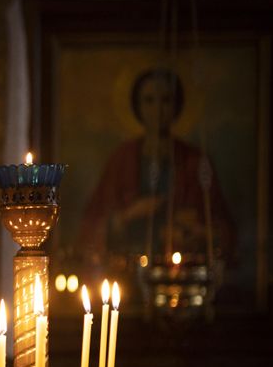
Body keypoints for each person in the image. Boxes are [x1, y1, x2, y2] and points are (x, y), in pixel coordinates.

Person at [79, 67, 235, 271]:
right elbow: (90, 228)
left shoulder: (195, 161)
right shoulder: (122, 159)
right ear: (138, 106)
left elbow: (224, 231)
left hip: (182, 272)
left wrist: (196, 231)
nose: (158, 109)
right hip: (127, 271)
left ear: (177, 106)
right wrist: (129, 215)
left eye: (166, 100)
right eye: (149, 100)